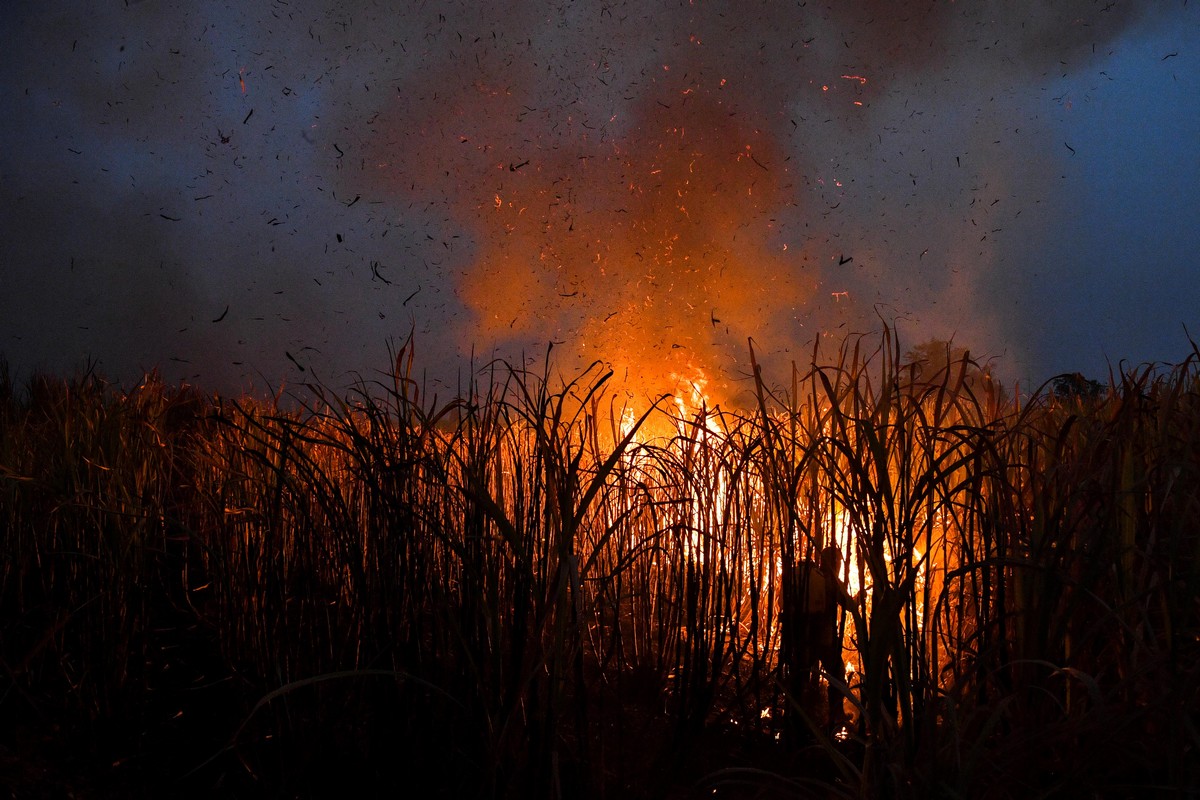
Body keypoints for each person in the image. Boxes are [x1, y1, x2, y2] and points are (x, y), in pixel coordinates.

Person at [783, 545, 853, 737]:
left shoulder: (809, 578)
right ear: (834, 562)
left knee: (800, 676)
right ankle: (835, 717)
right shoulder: (830, 581)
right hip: (825, 639)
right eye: (838, 561)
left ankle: (796, 715)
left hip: (803, 638)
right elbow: (849, 605)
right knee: (837, 675)